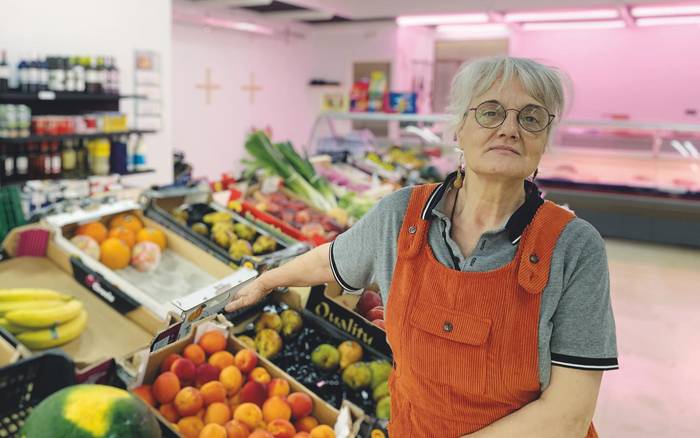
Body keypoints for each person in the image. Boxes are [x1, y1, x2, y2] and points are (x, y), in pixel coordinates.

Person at [226, 56, 618, 437]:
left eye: (531, 117)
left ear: (544, 140)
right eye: (490, 112)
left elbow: (567, 417)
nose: (510, 128)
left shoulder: (573, 247)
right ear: (458, 130)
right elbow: (332, 258)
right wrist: (267, 280)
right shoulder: (401, 215)